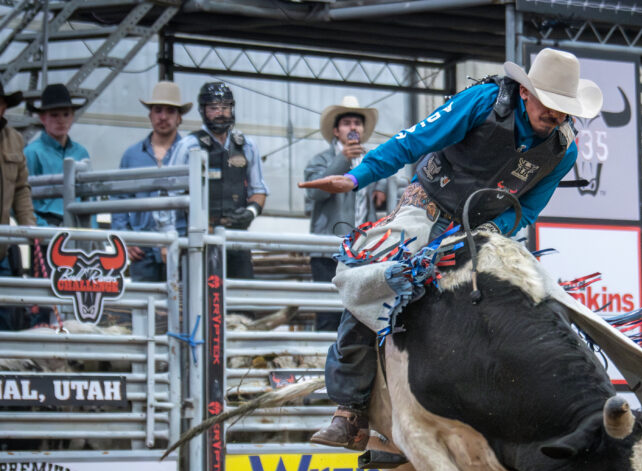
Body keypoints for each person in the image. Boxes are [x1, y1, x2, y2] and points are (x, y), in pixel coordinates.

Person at [299, 47, 603, 450]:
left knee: (539, 295)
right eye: (549, 103)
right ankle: (350, 410)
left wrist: (492, 229)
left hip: (483, 226)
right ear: (526, 92)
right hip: (427, 206)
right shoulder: (482, 102)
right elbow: (413, 141)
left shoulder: (563, 151)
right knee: (373, 283)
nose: (556, 115)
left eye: (564, 109)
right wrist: (357, 177)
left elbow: (527, 208)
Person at [165, 82, 268, 278]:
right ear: (203, 110)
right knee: (202, 292)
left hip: (237, 238)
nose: (220, 113)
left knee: (243, 292)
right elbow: (170, 194)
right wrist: (169, 238)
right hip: (201, 238)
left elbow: (259, 189)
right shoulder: (189, 145)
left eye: (225, 107)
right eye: (213, 108)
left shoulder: (247, 146)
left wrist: (250, 212)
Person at [304, 96, 387, 331]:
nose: (353, 127)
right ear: (336, 131)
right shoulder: (320, 161)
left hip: (363, 250)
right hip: (328, 250)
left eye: (357, 123)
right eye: (347, 123)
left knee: (361, 315)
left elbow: (389, 181)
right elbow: (315, 193)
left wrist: (381, 186)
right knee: (329, 314)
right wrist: (343, 160)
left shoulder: (371, 160)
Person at [110, 81, 190, 282]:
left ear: (179, 117)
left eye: (170, 111)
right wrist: (125, 238)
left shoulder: (192, 154)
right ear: (150, 115)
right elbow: (119, 200)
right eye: (158, 110)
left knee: (183, 300)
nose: (163, 116)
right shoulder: (131, 156)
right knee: (146, 300)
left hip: (182, 245)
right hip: (143, 248)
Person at [24, 83, 90, 229]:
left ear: (72, 117)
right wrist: (41, 228)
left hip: (78, 224)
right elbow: (21, 198)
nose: (61, 120)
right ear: (43, 118)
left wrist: (92, 229)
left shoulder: (81, 152)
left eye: (66, 114)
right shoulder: (32, 153)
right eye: (54, 115)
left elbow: (89, 197)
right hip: (47, 224)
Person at [0, 81, 35, 331]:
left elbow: (21, 188)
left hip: (1, 247)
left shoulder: (14, 139)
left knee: (6, 313)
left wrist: (29, 227)